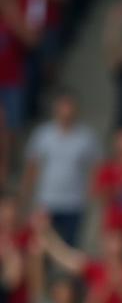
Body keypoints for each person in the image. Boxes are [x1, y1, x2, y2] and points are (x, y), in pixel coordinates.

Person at [21, 90, 100, 247]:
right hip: (47, 201)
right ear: (55, 109)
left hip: (74, 202)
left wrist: (92, 192)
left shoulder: (86, 137)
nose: (66, 111)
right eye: (63, 107)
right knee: (43, 245)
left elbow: (96, 168)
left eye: (70, 107)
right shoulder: (42, 135)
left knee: (71, 246)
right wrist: (26, 196)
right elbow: (32, 168)